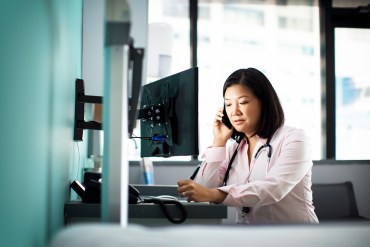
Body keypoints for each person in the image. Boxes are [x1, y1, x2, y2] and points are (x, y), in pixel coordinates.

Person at [177, 68, 319, 224]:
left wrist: (214, 195)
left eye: (243, 102)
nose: (234, 112)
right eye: (228, 105)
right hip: (249, 238)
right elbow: (203, 190)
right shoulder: (233, 150)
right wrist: (219, 142)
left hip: (295, 239)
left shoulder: (294, 138)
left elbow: (274, 188)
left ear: (264, 102)